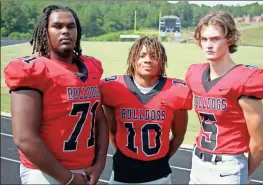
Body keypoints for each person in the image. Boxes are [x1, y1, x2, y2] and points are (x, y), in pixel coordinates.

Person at [4, 5, 109, 185]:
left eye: (71, 26)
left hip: (84, 171)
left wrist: (99, 164)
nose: (65, 31)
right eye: (58, 26)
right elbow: (24, 138)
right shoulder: (34, 70)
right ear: (45, 32)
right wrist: (68, 179)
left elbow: (98, 120)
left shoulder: (91, 67)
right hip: (45, 173)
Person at [185, 12, 263, 184]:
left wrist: (241, 174)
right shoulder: (194, 74)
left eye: (215, 39)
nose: (208, 45)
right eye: (204, 39)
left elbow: (259, 144)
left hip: (227, 167)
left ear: (230, 39)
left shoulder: (245, 80)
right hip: (197, 163)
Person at [100, 36, 193, 184]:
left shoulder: (177, 91)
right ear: (132, 59)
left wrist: (161, 159)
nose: (148, 60)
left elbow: (178, 136)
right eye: (142, 55)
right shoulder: (114, 88)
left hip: (159, 175)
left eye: (154, 56)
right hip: (123, 174)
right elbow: (112, 133)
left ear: (162, 61)